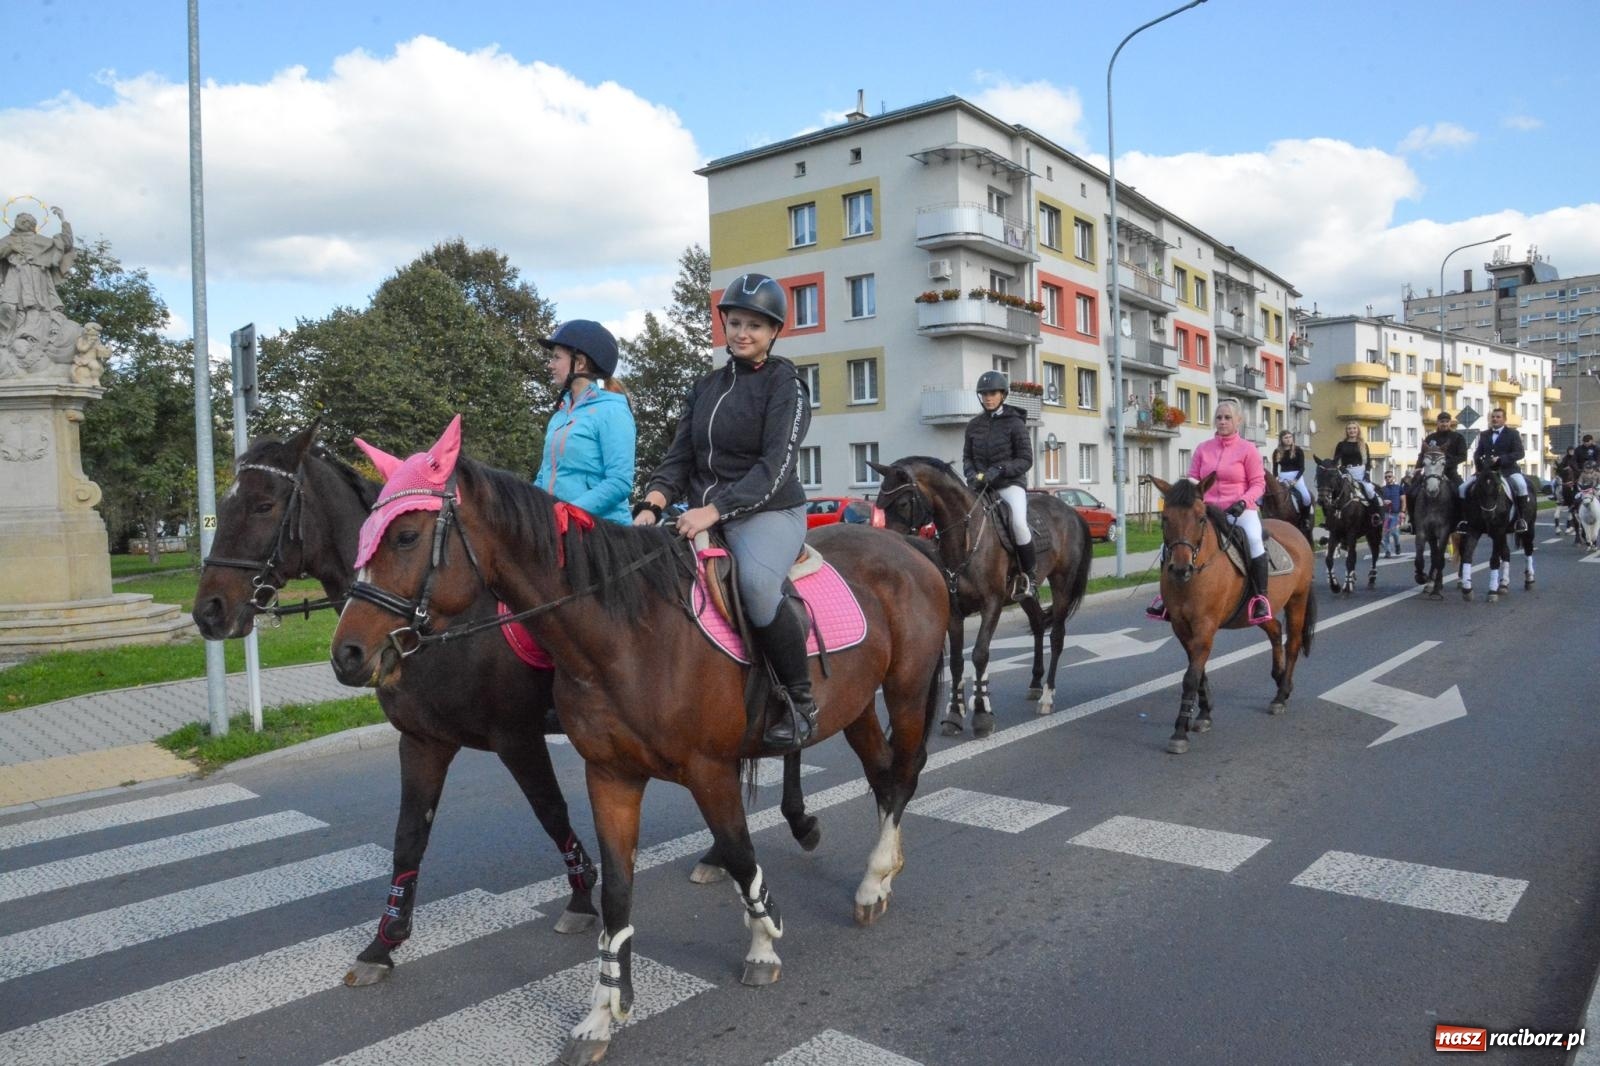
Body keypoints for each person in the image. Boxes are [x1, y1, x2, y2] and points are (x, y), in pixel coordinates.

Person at [635, 273, 816, 751]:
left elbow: (773, 469)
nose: (742, 333)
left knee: (756, 586)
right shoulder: (705, 387)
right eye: (735, 323)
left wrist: (714, 510)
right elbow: (679, 458)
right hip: (703, 512)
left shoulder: (787, 385)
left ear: (773, 331)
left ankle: (799, 701)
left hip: (769, 511)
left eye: (754, 325)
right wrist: (652, 503)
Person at [1147, 398, 1272, 626]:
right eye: (1219, 417)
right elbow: (1193, 479)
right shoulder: (1203, 449)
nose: (1222, 421)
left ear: (1238, 421)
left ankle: (1260, 598)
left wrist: (1243, 502)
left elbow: (1258, 484)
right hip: (1208, 510)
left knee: (1254, 540)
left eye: (1227, 418)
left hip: (1240, 510)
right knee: (1168, 545)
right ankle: (1165, 599)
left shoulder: (1248, 449)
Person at [532, 320, 635, 525]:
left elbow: (619, 482)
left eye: (556, 357)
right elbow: (544, 475)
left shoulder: (612, 411)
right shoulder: (560, 414)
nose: (550, 365)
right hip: (560, 526)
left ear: (579, 363)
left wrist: (570, 512)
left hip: (604, 532)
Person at [962, 370, 1037, 597]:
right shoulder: (973, 425)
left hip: (1009, 485)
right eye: (984, 394)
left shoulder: (1015, 423)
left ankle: (1029, 577)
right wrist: (971, 474)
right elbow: (967, 458)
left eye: (992, 393)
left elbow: (1026, 459)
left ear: (1003, 395)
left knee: (1018, 524)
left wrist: (1001, 469)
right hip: (981, 487)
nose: (988, 398)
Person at [1458, 406, 1529, 533]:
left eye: (1498, 417)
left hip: (1508, 471)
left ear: (1504, 419)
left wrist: (1501, 459)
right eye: (1493, 417)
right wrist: (1479, 464)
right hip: (1486, 472)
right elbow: (1478, 453)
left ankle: (1520, 519)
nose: (1495, 419)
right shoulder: (1484, 434)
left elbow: (1519, 453)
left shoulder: (1513, 434)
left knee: (1521, 485)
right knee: (1462, 488)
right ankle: (1464, 520)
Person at [1331, 422, 1380, 522]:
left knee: (1369, 490)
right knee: (1335, 491)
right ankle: (1331, 517)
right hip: (1345, 472)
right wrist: (1341, 468)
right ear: (1346, 431)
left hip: (1360, 472)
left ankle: (1375, 514)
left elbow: (1368, 461)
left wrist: (1367, 473)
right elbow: (1335, 460)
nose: (1352, 430)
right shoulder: (1341, 445)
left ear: (1358, 430)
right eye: (1349, 428)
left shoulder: (1363, 445)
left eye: (1354, 428)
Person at [1270, 429, 1313, 512]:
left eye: (1290, 437)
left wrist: (1295, 480)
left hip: (1296, 476)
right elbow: (1275, 468)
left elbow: (1302, 468)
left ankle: (1306, 515)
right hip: (1283, 476)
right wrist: (1276, 477)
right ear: (1281, 439)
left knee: (1306, 497)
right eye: (1286, 438)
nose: (1288, 439)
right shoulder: (1276, 452)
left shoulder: (1298, 450)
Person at [1379, 470, 1405, 556]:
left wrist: (1403, 511)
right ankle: (1388, 551)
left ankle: (1397, 545)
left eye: (1389, 476)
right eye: (1386, 477)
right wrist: (1384, 502)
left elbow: (1403, 500)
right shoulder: (1382, 489)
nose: (1387, 478)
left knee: (1395, 533)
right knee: (1386, 533)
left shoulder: (1399, 488)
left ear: (1393, 477)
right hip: (1386, 514)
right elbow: (1379, 501)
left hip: (1396, 513)